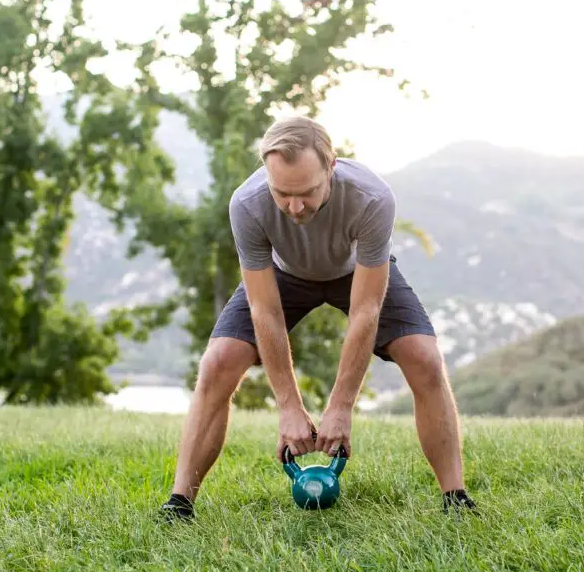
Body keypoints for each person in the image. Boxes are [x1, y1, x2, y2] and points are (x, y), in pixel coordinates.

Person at [160, 116, 476, 521]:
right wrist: (289, 407)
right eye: (282, 194)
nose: (294, 207)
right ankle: (180, 503)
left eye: (306, 193)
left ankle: (456, 499)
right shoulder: (247, 204)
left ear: (331, 166)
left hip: (355, 274)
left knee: (424, 358)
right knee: (218, 362)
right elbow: (265, 310)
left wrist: (341, 408)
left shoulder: (372, 197)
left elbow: (366, 310)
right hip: (284, 275)